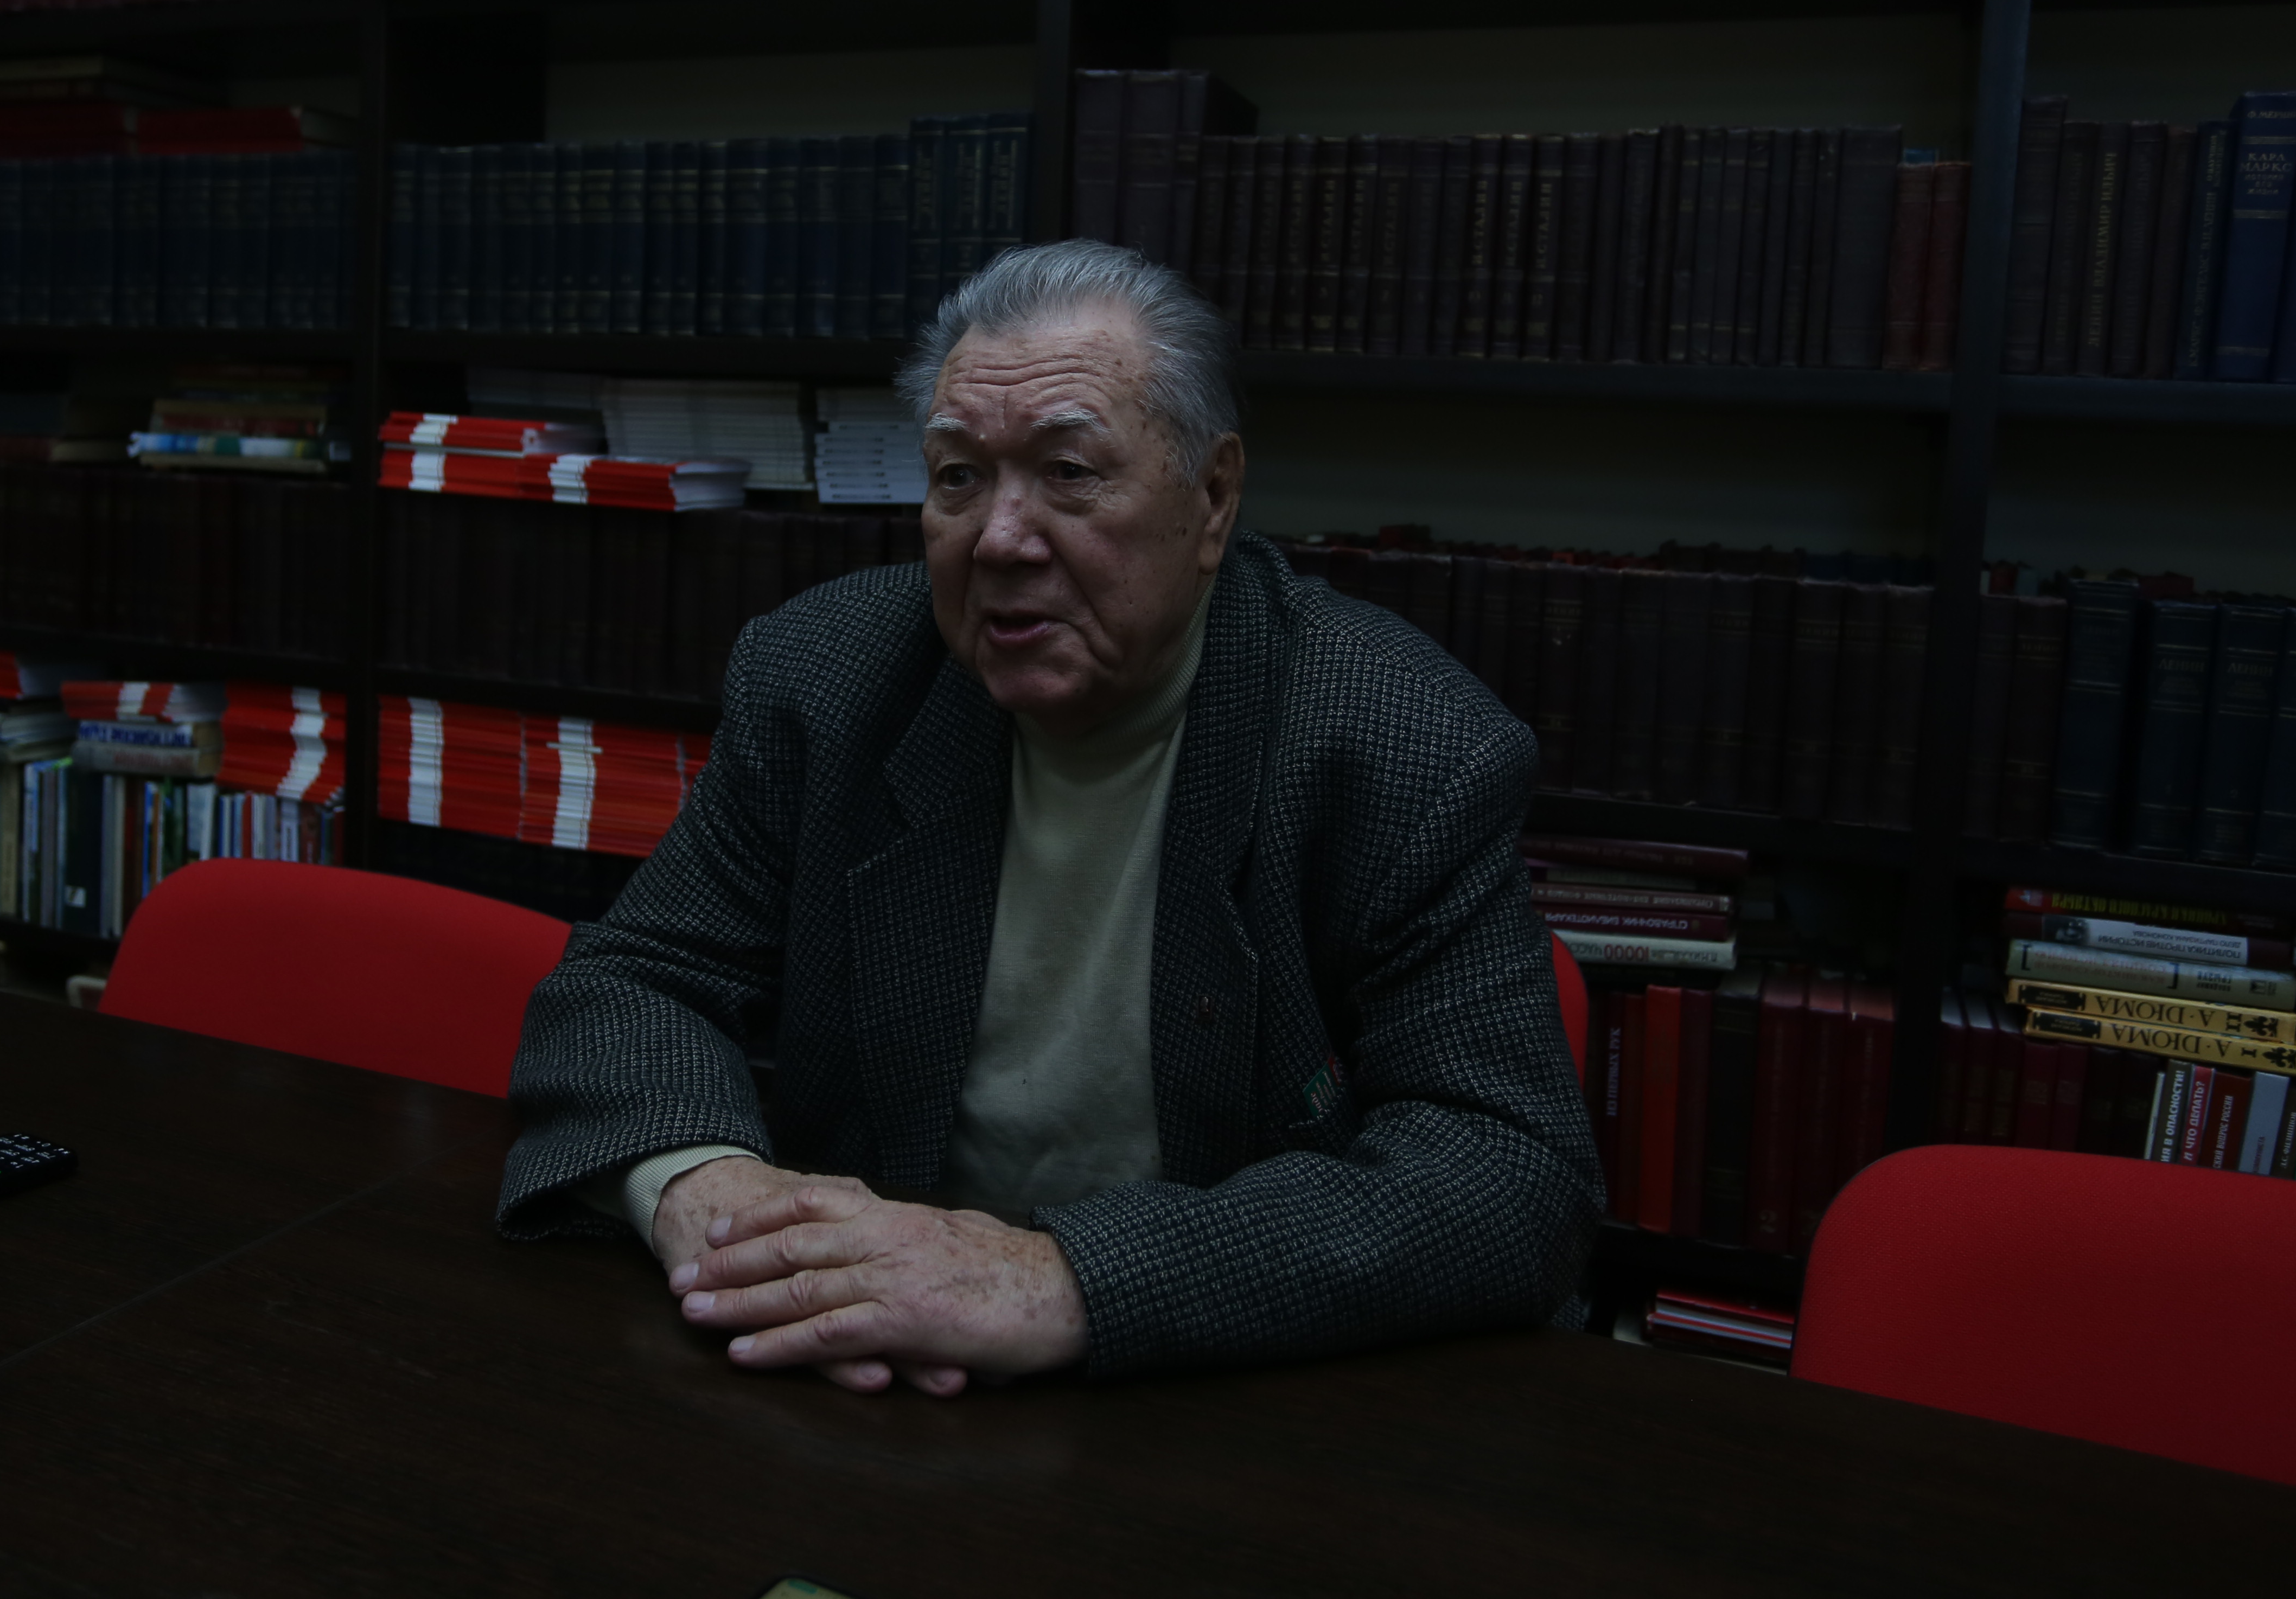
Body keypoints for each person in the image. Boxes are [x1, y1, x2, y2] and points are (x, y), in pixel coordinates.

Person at [499, 240, 1598, 1394]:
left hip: (1230, 1395)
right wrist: (709, 1196)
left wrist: (1065, 1281)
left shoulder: (1398, 742)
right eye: (958, 477)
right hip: (864, 1372)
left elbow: (1508, 1173)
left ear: (1213, 498)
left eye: (1069, 472)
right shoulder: (828, 680)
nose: (999, 538)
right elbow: (629, 986)